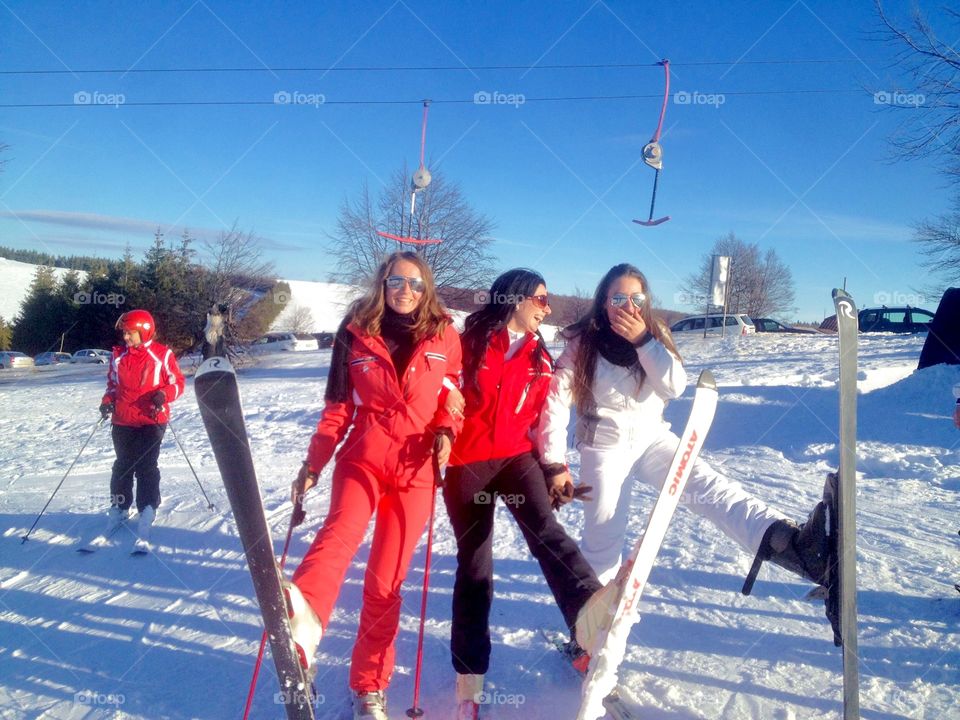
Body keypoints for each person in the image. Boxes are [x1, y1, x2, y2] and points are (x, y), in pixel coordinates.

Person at [538, 263, 832, 595]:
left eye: (637, 297)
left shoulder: (654, 333)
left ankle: (790, 544)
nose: (628, 306)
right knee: (603, 535)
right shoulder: (583, 341)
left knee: (709, 488)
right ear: (604, 301)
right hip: (603, 447)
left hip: (652, 440)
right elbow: (555, 403)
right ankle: (589, 620)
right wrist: (553, 464)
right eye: (618, 298)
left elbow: (674, 386)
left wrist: (643, 341)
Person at [285, 251, 462, 720]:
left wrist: (446, 430)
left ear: (427, 289)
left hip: (416, 470)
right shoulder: (356, 331)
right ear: (382, 284)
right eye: (396, 281)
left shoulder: (446, 334)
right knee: (339, 533)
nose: (406, 291)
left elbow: (453, 396)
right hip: (363, 457)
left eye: (416, 283)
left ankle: (369, 687)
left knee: (385, 582)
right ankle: (304, 620)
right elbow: (337, 408)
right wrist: (314, 463)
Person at [442, 269, 607, 719]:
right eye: (540, 298)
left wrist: (554, 469)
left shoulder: (540, 357)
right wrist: (442, 412)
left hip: (517, 459)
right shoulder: (467, 340)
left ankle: (590, 614)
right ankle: (469, 676)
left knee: (546, 532)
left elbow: (545, 420)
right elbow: (441, 380)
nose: (546, 308)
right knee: (475, 563)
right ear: (515, 299)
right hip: (466, 464)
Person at [100, 309, 185, 543]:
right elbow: (112, 385)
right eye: (125, 334)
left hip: (152, 419)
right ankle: (119, 508)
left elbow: (178, 382)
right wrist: (108, 402)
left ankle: (147, 508)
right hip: (123, 419)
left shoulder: (162, 354)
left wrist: (163, 395)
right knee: (123, 466)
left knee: (146, 465)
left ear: (144, 331)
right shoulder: (117, 356)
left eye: (130, 333)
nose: (126, 338)